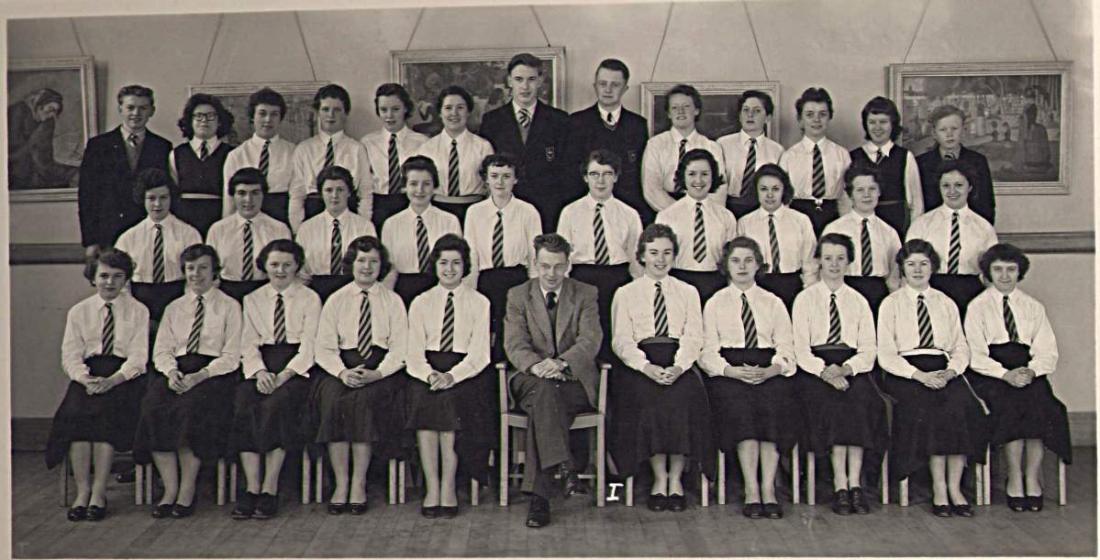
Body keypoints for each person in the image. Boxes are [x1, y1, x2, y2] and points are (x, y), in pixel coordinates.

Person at [877, 239, 987, 518]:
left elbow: (960, 346)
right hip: (907, 371)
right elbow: (887, 354)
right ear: (901, 268)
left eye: (923, 264)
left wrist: (951, 372)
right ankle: (939, 487)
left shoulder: (946, 302)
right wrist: (919, 376)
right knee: (933, 410)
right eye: (911, 264)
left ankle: (955, 487)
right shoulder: (890, 304)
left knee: (963, 406)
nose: (917, 270)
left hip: (943, 368)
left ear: (933, 268)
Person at [610, 223, 714, 512]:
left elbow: (694, 336)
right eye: (653, 253)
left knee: (684, 398)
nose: (660, 259)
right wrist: (646, 367)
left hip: (679, 360)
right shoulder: (625, 293)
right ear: (641, 255)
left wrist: (679, 367)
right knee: (649, 400)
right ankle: (659, 478)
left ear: (675, 256)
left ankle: (677, 479)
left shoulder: (688, 291)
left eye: (667, 253)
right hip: (642, 363)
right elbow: (621, 341)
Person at [134, 244, 242, 519]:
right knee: (153, 407)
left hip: (212, 374)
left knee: (189, 410)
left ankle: (187, 488)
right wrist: (171, 372)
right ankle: (170, 489)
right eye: (191, 269)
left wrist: (200, 376)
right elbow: (162, 350)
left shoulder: (230, 307)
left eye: (203, 268)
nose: (196, 274)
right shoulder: (174, 308)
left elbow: (231, 355)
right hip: (176, 372)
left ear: (215, 271)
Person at [503, 233, 603, 528]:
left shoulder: (585, 293)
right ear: (535, 263)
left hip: (573, 381)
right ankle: (566, 466)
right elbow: (514, 344)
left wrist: (560, 363)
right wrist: (538, 367)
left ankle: (540, 498)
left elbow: (590, 340)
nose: (551, 274)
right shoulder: (518, 295)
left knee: (545, 401)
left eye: (558, 267)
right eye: (545, 266)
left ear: (568, 265)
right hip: (530, 378)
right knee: (545, 391)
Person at [964, 243, 1071, 513]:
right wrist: (1005, 374)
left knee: (1042, 405)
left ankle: (1032, 477)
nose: (1004, 276)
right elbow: (975, 355)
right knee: (1011, 406)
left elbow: (1047, 350)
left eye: (1010, 270)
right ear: (987, 273)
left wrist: (1031, 371)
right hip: (992, 374)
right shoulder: (977, 307)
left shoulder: (1033, 307)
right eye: (997, 270)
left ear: (1019, 272)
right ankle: (1014, 476)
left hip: (1027, 370)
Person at [46, 249, 149, 522]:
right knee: (76, 417)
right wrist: (85, 378)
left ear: (126, 279)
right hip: (89, 376)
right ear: (93, 278)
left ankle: (99, 493)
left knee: (105, 419)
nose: (109, 282)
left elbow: (139, 358)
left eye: (117, 276)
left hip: (124, 378)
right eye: (103, 276)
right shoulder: (79, 312)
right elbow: (70, 355)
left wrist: (113, 380)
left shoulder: (138, 311)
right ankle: (83, 492)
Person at [699, 237, 796, 520]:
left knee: (774, 405)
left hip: (768, 369)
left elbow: (787, 347)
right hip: (731, 372)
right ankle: (751, 489)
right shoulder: (715, 303)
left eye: (748, 260)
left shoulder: (773, 302)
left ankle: (769, 489)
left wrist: (773, 369)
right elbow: (706, 352)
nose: (742, 267)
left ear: (758, 265)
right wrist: (731, 371)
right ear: (726, 266)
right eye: (735, 261)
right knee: (742, 408)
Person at [312, 235, 409, 515]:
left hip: (380, 371)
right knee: (333, 401)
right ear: (351, 264)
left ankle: (358, 483)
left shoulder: (393, 301)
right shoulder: (336, 300)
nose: (367, 267)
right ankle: (341, 483)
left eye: (374, 261)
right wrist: (342, 372)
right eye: (361, 260)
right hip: (342, 368)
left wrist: (377, 374)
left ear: (383, 265)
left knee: (363, 403)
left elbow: (400, 348)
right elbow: (324, 348)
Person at [791, 233, 886, 515]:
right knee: (831, 405)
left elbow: (869, 349)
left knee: (860, 402)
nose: (834, 264)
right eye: (828, 258)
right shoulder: (805, 299)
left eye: (840, 259)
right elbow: (800, 348)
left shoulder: (859, 301)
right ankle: (839, 483)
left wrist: (846, 369)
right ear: (818, 261)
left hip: (851, 366)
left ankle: (855, 482)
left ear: (849, 263)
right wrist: (825, 372)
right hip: (816, 369)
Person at [229, 239, 321, 520]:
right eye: (274, 264)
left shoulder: (309, 298)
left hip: (294, 368)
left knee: (276, 406)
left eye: (287, 265)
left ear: (297, 266)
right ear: (265, 266)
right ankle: (251, 487)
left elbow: (309, 346)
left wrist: (283, 375)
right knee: (245, 402)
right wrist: (259, 372)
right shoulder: (252, 299)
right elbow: (247, 343)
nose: (280, 270)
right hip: (261, 366)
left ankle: (270, 487)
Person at [406, 234, 493, 519]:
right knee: (424, 404)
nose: (450, 269)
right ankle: (432, 486)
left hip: (464, 373)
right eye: (444, 263)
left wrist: (452, 377)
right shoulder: (421, 301)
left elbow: (480, 355)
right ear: (435, 265)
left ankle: (449, 487)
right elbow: (413, 352)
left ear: (465, 266)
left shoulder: (480, 302)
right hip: (427, 371)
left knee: (451, 406)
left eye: (456, 263)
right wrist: (430, 375)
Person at [557, 149, 643, 358]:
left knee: (616, 335)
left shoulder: (629, 214)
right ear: (586, 177)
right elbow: (562, 257)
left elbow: (636, 259)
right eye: (595, 174)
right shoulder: (570, 212)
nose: (601, 180)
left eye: (607, 174)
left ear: (616, 176)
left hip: (617, 277)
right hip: (582, 278)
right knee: (584, 336)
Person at [479, 53, 571, 232]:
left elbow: (566, 170)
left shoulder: (559, 120)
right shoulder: (493, 121)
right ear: (509, 81)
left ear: (540, 81)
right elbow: (487, 167)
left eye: (531, 79)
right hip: (505, 205)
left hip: (547, 207)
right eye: (519, 79)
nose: (525, 86)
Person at [464, 154, 542, 359]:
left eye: (506, 176)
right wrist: (470, 289)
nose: (500, 182)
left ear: (515, 179)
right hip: (486, 278)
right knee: (487, 332)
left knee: (515, 332)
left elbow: (535, 255)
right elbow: (471, 253)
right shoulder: (474, 212)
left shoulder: (528, 211)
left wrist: (534, 290)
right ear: (486, 179)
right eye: (495, 176)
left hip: (516, 278)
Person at [78, 84, 172, 255]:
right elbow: (87, 195)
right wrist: (90, 241)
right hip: (108, 232)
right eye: (130, 107)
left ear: (152, 111)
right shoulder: (98, 146)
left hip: (147, 230)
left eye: (143, 108)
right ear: (120, 108)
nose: (136, 113)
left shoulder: (162, 147)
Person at [907, 159, 998, 316]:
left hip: (970, 292)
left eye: (959, 185)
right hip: (932, 288)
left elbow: (992, 270)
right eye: (946, 186)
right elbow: (908, 263)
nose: (952, 191)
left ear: (969, 187)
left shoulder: (984, 228)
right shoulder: (922, 224)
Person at [567, 58, 650, 223]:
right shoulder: (577, 122)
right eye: (602, 83)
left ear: (625, 88)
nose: (608, 90)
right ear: (595, 86)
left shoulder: (637, 125)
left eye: (615, 85)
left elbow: (640, 173)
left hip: (626, 209)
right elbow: (570, 171)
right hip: (587, 207)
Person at [115, 168, 202, 323]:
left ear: (171, 198)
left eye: (163, 197)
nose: (157, 204)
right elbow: (121, 282)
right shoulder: (128, 238)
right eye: (151, 198)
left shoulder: (189, 234)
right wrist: (132, 309)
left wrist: (186, 307)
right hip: (139, 298)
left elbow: (194, 278)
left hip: (177, 297)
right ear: (143, 199)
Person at [655, 148, 737, 304]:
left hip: (715, 283)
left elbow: (731, 261)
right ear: (683, 177)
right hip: (678, 281)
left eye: (704, 174)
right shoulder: (666, 216)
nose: (698, 181)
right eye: (692, 174)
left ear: (713, 177)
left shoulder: (726, 217)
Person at [289, 84, 373, 231]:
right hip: (312, 214)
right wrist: (298, 229)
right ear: (317, 113)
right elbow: (297, 195)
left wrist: (362, 226)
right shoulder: (304, 149)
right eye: (325, 109)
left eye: (337, 110)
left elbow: (365, 193)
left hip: (348, 215)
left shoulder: (357, 149)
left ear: (346, 113)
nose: (331, 115)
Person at [381, 156, 463, 306]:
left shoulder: (449, 220)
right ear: (404, 186)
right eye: (413, 184)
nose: (420, 190)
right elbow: (389, 269)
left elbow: (457, 262)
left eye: (426, 184)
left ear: (435, 187)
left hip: (440, 286)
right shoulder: (391, 224)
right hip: (404, 290)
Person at [822, 164, 902, 314]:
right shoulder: (835, 229)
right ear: (851, 194)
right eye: (860, 190)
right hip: (845, 290)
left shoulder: (889, 232)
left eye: (872, 189)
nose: (867, 195)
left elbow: (895, 273)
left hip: (878, 293)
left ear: (879, 192)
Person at [736, 164, 816, 311]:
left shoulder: (801, 220)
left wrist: (808, 293)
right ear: (756, 191)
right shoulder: (745, 223)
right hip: (759, 285)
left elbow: (809, 261)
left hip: (791, 285)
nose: (770, 195)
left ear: (784, 190)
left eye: (775, 189)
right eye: (764, 189)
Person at [206, 167, 292, 303]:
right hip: (228, 292)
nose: (248, 199)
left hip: (266, 292)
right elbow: (210, 270)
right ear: (233, 196)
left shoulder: (279, 229)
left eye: (255, 193)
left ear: (263, 195)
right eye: (241, 193)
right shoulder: (218, 229)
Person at [413, 85, 494, 224]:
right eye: (448, 108)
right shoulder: (427, 148)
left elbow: (491, 186)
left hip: (474, 211)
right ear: (440, 112)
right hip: (437, 210)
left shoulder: (483, 146)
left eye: (460, 108)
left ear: (468, 111)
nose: (454, 113)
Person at [642, 84, 727, 214]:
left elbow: (719, 190)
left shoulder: (711, 147)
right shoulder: (655, 144)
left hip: (704, 212)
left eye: (686, 106)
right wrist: (681, 213)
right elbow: (651, 189)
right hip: (665, 211)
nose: (680, 111)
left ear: (696, 110)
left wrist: (702, 213)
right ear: (669, 113)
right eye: (675, 108)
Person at [779, 87, 851, 237]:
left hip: (832, 215)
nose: (816, 120)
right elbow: (783, 198)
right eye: (810, 115)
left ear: (830, 117)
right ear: (800, 120)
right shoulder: (789, 156)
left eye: (822, 114)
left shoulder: (842, 155)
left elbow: (846, 196)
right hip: (798, 216)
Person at [295, 166, 376, 301]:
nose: (334, 195)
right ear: (321, 193)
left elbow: (371, 264)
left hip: (354, 290)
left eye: (340, 190)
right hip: (316, 292)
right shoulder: (306, 228)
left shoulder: (364, 226)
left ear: (349, 192)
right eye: (329, 190)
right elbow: (301, 273)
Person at [849, 96, 924, 237]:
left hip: (896, 226)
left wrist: (913, 238)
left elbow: (917, 205)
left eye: (883, 122)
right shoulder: (853, 157)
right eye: (872, 122)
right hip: (861, 228)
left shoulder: (905, 157)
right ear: (866, 124)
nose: (877, 128)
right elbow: (846, 201)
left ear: (893, 124)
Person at [361, 83, 430, 232]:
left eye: (395, 109)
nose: (389, 116)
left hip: (410, 202)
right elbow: (364, 185)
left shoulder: (422, 142)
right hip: (379, 205)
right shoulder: (367, 142)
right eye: (384, 110)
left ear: (405, 108)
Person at [222, 87, 296, 225]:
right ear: (252, 117)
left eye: (274, 114)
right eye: (262, 114)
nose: (268, 120)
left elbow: (297, 197)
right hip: (246, 219)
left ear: (281, 118)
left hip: (281, 218)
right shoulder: (236, 155)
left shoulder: (293, 153)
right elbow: (229, 200)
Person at [169, 93, 236, 237]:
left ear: (219, 121)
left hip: (218, 219)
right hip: (184, 221)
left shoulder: (232, 154)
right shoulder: (176, 154)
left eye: (211, 116)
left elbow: (232, 196)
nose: (204, 121)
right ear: (189, 121)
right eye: (198, 116)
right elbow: (172, 194)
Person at [916, 105, 996, 224]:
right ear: (934, 133)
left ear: (963, 130)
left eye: (954, 128)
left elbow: (986, 202)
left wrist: (980, 229)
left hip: (970, 228)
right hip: (932, 229)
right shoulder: (921, 163)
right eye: (943, 130)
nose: (949, 134)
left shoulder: (978, 161)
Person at [717, 90, 784, 219]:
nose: (750, 115)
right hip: (727, 207)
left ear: (768, 117)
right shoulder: (723, 144)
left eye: (757, 111)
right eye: (745, 110)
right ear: (740, 115)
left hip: (760, 209)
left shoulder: (777, 150)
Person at [8, 87, 78, 190]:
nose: (53, 115)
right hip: (17, 165)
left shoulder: (47, 122)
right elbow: (15, 147)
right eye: (51, 110)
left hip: (39, 164)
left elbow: (44, 155)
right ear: (39, 107)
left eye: (56, 111)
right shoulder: (17, 112)